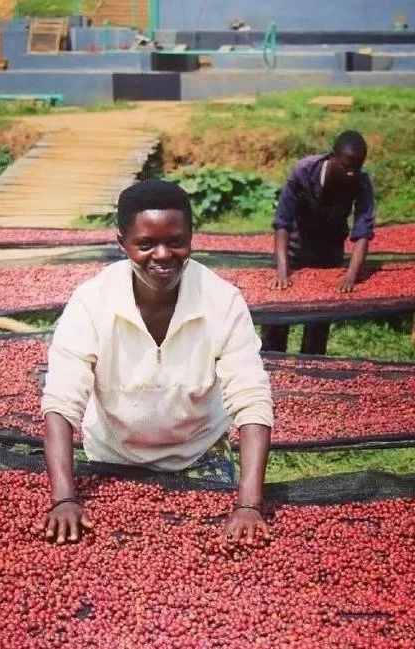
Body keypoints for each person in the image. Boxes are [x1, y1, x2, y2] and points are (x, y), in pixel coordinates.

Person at [39, 179, 273, 546]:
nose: (163, 255)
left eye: (176, 242)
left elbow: (251, 397)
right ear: (122, 243)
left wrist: (248, 505)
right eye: (145, 244)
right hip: (111, 458)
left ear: (192, 238)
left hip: (198, 455)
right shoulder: (91, 303)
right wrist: (65, 498)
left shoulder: (222, 302)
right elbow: (62, 400)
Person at [263, 130, 375, 355]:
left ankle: (310, 367)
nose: (352, 173)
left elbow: (363, 231)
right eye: (346, 166)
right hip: (296, 247)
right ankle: (272, 366)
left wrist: (350, 275)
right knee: (278, 315)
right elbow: (282, 223)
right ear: (332, 157)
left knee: (318, 321)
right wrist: (283, 271)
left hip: (329, 252)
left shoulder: (360, 182)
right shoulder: (303, 172)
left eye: (357, 167)